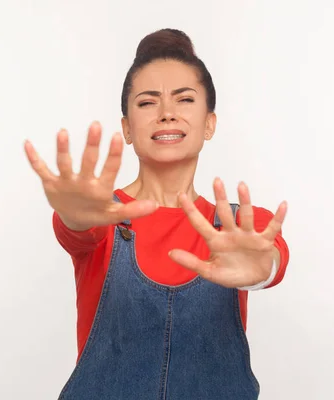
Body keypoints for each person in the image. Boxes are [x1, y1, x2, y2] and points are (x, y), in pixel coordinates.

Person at [24, 28, 289, 400]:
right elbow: (77, 228)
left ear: (209, 123)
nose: (166, 114)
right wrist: (75, 215)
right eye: (148, 103)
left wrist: (264, 268)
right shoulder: (104, 215)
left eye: (184, 100)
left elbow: (271, 257)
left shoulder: (240, 225)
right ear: (127, 128)